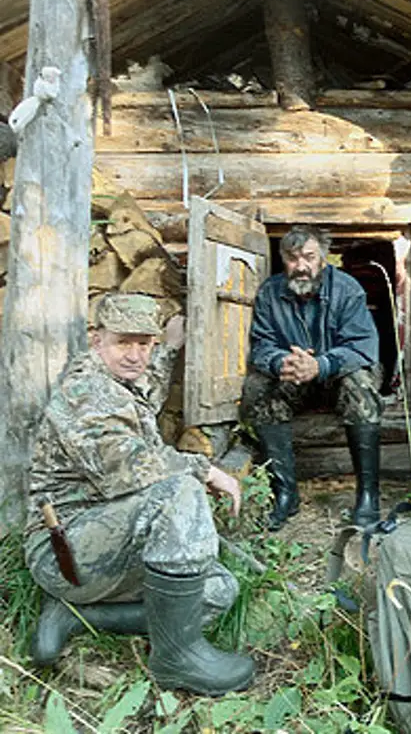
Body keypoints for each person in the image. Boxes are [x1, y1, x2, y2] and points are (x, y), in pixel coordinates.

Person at [24, 293, 255, 696]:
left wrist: (169, 346)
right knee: (178, 491)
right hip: (64, 549)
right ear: (97, 340)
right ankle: (176, 659)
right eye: (123, 342)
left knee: (218, 590)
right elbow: (129, 471)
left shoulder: (122, 379)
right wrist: (206, 470)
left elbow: (150, 379)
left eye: (144, 343)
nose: (135, 355)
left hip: (107, 541)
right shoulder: (88, 394)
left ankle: (75, 617)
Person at [241, 225, 383, 532]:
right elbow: (262, 344)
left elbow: (363, 347)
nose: (301, 266)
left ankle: (369, 495)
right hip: (295, 378)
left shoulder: (347, 289)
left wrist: (321, 364)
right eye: (292, 258)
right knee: (257, 386)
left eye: (309, 257)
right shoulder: (269, 293)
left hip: (337, 377)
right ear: (283, 259)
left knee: (360, 383)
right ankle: (285, 493)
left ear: (323, 258)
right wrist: (281, 362)